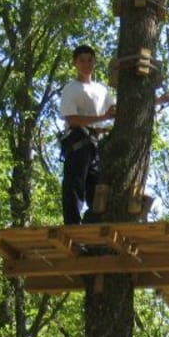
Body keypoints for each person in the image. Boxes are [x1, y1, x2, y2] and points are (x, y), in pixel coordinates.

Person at [58, 44, 116, 224]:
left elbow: (117, 111)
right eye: (81, 60)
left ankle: (93, 225)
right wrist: (102, 117)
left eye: (90, 60)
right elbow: (72, 119)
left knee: (96, 188)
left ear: (95, 63)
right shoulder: (71, 88)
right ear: (75, 63)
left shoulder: (101, 90)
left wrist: (157, 101)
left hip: (96, 145)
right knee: (74, 185)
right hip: (78, 141)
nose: (86, 64)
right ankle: (72, 226)